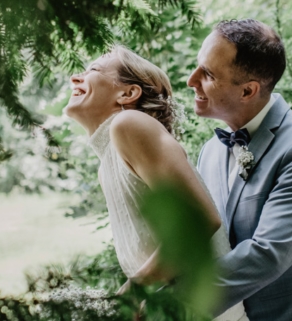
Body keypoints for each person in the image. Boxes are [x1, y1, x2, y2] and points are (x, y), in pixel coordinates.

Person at [64, 45, 248, 321]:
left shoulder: (128, 123)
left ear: (128, 93)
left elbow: (197, 220)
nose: (75, 78)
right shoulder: (107, 165)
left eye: (92, 70)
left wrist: (134, 291)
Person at [188, 19, 292, 321]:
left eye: (207, 74)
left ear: (248, 91)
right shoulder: (210, 151)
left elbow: (268, 253)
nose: (191, 80)